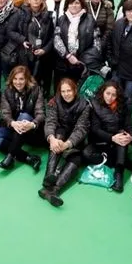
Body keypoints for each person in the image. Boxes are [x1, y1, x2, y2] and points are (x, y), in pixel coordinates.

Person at [38, 78, 92, 206]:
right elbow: (50, 121)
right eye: (63, 91)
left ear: (74, 90)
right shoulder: (54, 101)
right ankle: (48, 178)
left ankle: (54, 190)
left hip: (75, 139)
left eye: (69, 90)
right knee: (56, 139)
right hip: (60, 133)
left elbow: (81, 129)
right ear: (59, 92)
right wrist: (51, 138)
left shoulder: (84, 105)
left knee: (76, 159)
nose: (66, 94)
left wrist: (68, 144)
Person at [86, 81, 132, 193]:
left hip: (117, 139)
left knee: (123, 140)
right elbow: (95, 129)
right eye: (108, 93)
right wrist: (112, 138)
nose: (110, 97)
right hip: (101, 140)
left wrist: (131, 136)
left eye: (114, 95)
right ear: (103, 92)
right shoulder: (94, 104)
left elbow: (128, 125)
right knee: (86, 154)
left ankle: (119, 176)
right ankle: (117, 160)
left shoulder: (123, 106)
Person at [0, 66, 44, 171]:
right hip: (15, 128)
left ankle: (9, 157)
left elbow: (40, 113)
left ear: (27, 79)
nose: (18, 82)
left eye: (21, 79)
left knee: (24, 116)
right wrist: (12, 123)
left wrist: (32, 124)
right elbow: (5, 113)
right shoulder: (7, 91)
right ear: (11, 79)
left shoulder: (36, 90)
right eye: (15, 79)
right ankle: (29, 158)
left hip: (31, 130)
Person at [53, 0, 101, 85]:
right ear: (67, 5)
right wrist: (68, 56)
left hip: (84, 64)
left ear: (82, 5)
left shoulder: (90, 20)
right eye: (71, 3)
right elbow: (56, 39)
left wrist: (82, 60)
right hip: (64, 63)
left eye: (77, 3)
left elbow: (97, 43)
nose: (74, 6)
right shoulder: (61, 19)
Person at [19, 0, 55, 95]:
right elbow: (13, 31)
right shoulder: (21, 14)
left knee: (42, 81)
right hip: (27, 54)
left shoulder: (48, 15)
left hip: (44, 54)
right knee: (27, 80)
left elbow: (53, 36)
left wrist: (44, 50)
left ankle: (42, 98)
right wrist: (22, 41)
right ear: (28, 0)